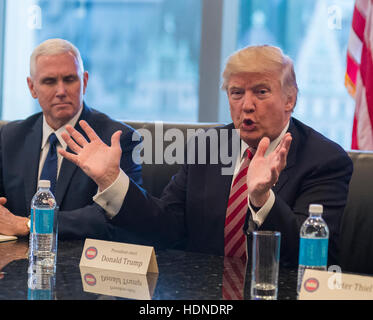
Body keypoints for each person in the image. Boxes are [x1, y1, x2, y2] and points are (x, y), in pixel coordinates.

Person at [59, 45, 353, 266]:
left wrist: (263, 200)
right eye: (236, 93)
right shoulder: (208, 146)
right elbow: (166, 229)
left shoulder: (324, 160)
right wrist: (113, 180)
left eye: (261, 92)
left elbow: (311, 256)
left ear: (290, 99)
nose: (247, 105)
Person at [0, 38, 142, 241]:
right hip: (19, 263)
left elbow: (114, 216)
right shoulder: (11, 136)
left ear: (84, 82)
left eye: (69, 79)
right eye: (49, 81)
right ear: (32, 87)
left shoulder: (118, 139)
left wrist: (29, 224)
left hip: (85, 264)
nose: (61, 91)